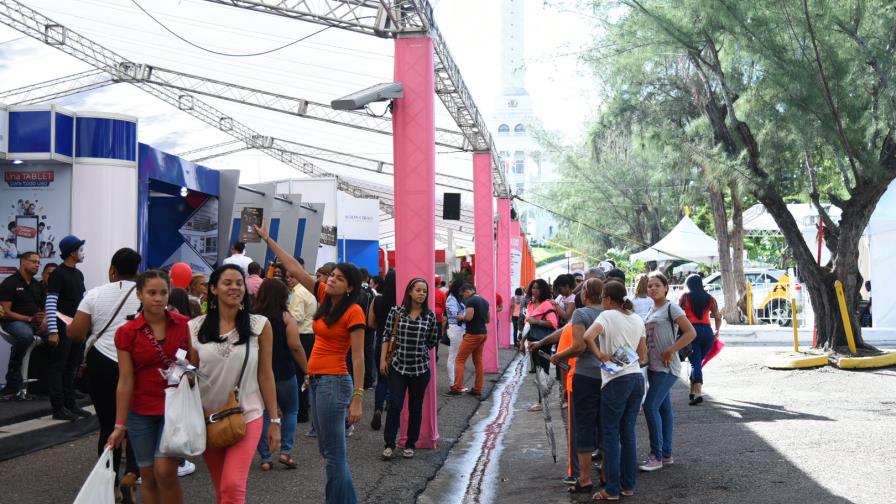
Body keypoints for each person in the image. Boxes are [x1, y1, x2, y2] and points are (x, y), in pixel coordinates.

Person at [255, 224, 365, 504]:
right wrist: (268, 240)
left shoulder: (354, 311)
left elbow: (359, 357)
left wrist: (358, 398)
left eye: (338, 279)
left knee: (333, 454)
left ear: (350, 286)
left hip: (334, 382)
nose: (330, 280)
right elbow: (292, 267)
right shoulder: (325, 299)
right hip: (317, 381)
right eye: (331, 276)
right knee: (328, 452)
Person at [187, 264, 281, 503]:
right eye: (227, 283)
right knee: (222, 490)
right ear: (214, 289)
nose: (234, 287)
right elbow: (192, 373)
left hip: (248, 414)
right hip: (208, 418)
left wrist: (275, 420)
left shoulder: (259, 325)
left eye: (239, 283)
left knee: (232, 486)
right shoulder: (195, 327)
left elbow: (266, 374)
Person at [106, 270, 191, 504]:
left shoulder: (184, 325)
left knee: (165, 471)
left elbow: (197, 364)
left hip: (173, 409)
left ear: (170, 294)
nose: (158, 298)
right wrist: (119, 425)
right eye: (151, 293)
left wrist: (188, 368)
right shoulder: (127, 332)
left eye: (163, 293)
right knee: (148, 476)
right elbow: (125, 380)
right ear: (139, 294)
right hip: (140, 411)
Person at [66, 248, 143, 501]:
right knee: (133, 423)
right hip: (135, 363)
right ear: (138, 270)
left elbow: (76, 333)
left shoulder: (95, 294)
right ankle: (132, 476)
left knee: (108, 425)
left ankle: (109, 483)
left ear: (112, 269)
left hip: (101, 363)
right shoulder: (146, 294)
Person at [582, 281, 647, 501]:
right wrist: (624, 359)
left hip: (615, 381)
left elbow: (587, 337)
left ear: (608, 299)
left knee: (610, 434)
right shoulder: (637, 319)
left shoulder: (607, 316)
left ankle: (611, 489)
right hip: (637, 378)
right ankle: (627, 486)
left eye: (602, 299)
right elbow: (642, 353)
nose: (602, 303)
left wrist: (601, 356)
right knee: (628, 433)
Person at [548, 278, 605, 494]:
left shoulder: (581, 314)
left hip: (585, 376)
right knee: (606, 426)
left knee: (584, 427)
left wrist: (558, 356)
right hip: (608, 376)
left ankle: (584, 478)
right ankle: (607, 474)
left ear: (586, 294)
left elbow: (579, 347)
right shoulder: (610, 314)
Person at [640, 272, 696, 471]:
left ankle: (656, 455)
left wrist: (671, 349)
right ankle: (666, 454)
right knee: (664, 410)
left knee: (649, 406)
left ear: (666, 287)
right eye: (649, 286)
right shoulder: (650, 309)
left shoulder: (672, 307)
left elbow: (691, 332)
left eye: (656, 285)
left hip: (667, 367)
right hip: (653, 366)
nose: (652, 289)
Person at [380, 278, 440, 460]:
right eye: (418, 290)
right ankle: (389, 444)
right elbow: (387, 334)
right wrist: (383, 359)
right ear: (410, 292)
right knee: (395, 405)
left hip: (420, 369)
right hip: (398, 366)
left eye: (425, 291)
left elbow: (432, 340)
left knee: (416, 407)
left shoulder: (430, 316)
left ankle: (410, 444)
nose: (422, 294)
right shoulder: (396, 311)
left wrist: (418, 351)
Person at [254, 278, 308, 471]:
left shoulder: (253, 317)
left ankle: (266, 457)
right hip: (284, 371)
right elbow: (295, 345)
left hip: (259, 373)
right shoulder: (286, 316)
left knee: (265, 412)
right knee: (291, 409)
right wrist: (306, 368)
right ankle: (285, 452)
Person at [44, 235, 89, 420]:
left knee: (72, 365)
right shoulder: (58, 274)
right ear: (72, 252)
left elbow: (84, 301)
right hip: (62, 327)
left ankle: (71, 404)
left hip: (77, 326)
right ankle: (58, 407)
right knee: (59, 367)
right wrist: (53, 331)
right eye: (80, 249)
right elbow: (51, 303)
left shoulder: (78, 274)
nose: (82, 253)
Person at [0, 252, 46, 398]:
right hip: (12, 322)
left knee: (61, 335)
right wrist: (28, 319)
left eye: (39, 262)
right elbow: (5, 312)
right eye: (34, 262)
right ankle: (12, 381)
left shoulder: (37, 285)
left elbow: (43, 308)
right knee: (26, 336)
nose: (37, 265)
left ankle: (49, 384)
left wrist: (44, 320)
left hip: (33, 323)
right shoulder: (10, 283)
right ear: (23, 262)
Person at [680, 274, 722, 405]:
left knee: (695, 363)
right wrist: (717, 330)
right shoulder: (710, 298)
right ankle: (692, 391)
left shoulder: (685, 298)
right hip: (707, 332)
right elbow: (717, 316)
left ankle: (698, 392)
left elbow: (679, 315)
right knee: (697, 362)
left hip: (691, 331)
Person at [520, 279, 558, 413]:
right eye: (533, 288)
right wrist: (522, 341)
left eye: (537, 288)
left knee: (543, 372)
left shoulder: (547, 304)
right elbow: (527, 324)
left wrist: (537, 321)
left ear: (543, 290)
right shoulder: (531, 304)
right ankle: (541, 401)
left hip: (543, 343)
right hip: (532, 343)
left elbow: (553, 324)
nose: (534, 290)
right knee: (538, 372)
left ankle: (543, 402)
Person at [446, 283, 489, 397]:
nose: (463, 297)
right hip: (483, 333)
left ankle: (457, 387)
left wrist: (461, 317)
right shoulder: (485, 301)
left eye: (463, 294)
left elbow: (468, 317)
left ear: (468, 291)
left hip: (473, 334)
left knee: (460, 359)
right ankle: (477, 389)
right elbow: (488, 319)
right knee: (478, 361)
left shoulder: (471, 301)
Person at [367, 270, 397, 431]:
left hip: (380, 342)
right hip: (398, 346)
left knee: (382, 379)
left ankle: (377, 409)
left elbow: (370, 323)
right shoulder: (403, 303)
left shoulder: (377, 300)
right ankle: (393, 414)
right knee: (397, 380)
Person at [287, 269, 317, 424]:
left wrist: (286, 314)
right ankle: (305, 408)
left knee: (299, 375)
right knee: (305, 374)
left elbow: (297, 317)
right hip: (310, 334)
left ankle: (301, 412)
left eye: (292, 276)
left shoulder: (297, 294)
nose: (289, 279)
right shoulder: (309, 290)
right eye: (288, 277)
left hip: (301, 336)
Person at [443, 279, 466, 385]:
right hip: (455, 328)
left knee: (456, 357)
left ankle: (456, 382)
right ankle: (453, 383)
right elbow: (456, 315)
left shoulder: (457, 298)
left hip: (458, 328)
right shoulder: (451, 299)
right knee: (453, 357)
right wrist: (468, 316)